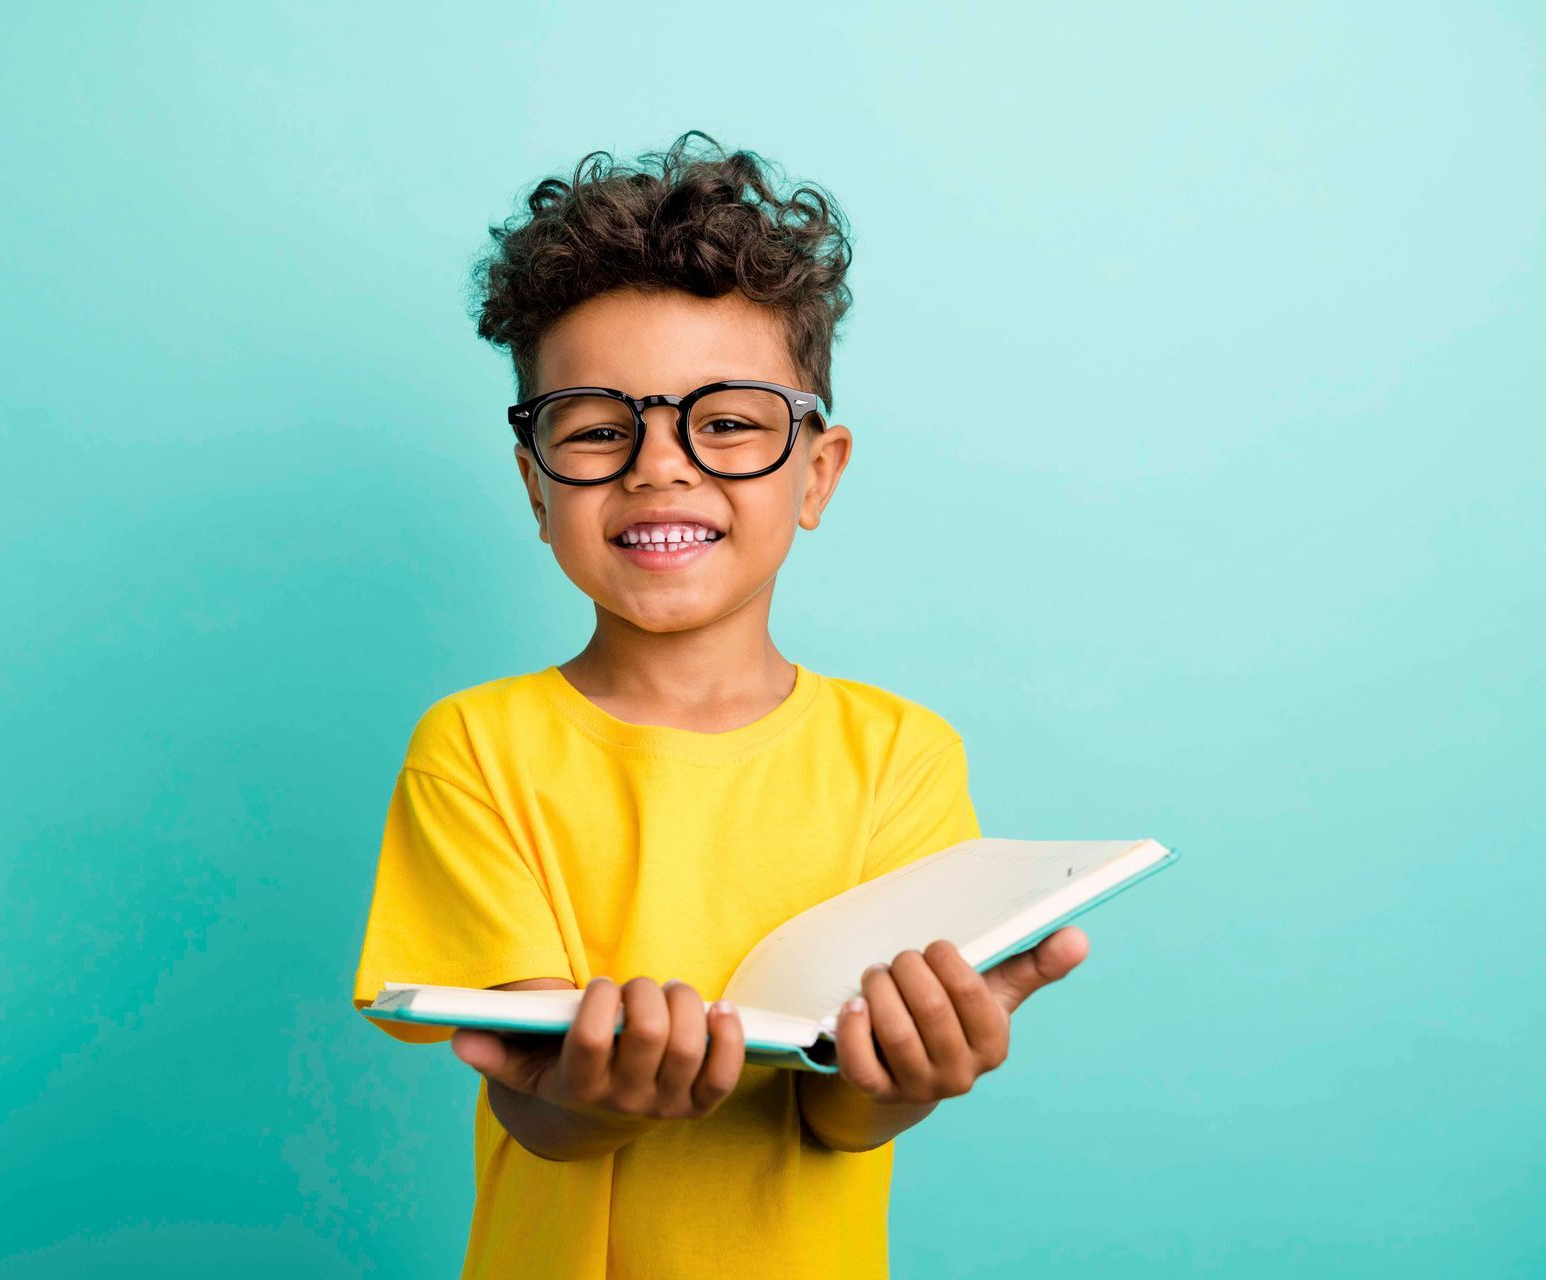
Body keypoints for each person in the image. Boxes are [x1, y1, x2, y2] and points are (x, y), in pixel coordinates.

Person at [351, 130, 1089, 1279]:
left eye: (729, 420)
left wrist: (907, 1071)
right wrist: (599, 1090)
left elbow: (840, 1113)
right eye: (599, 427)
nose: (660, 465)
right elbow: (534, 1103)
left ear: (817, 472)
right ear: (536, 484)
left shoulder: (901, 756)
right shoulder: (475, 750)